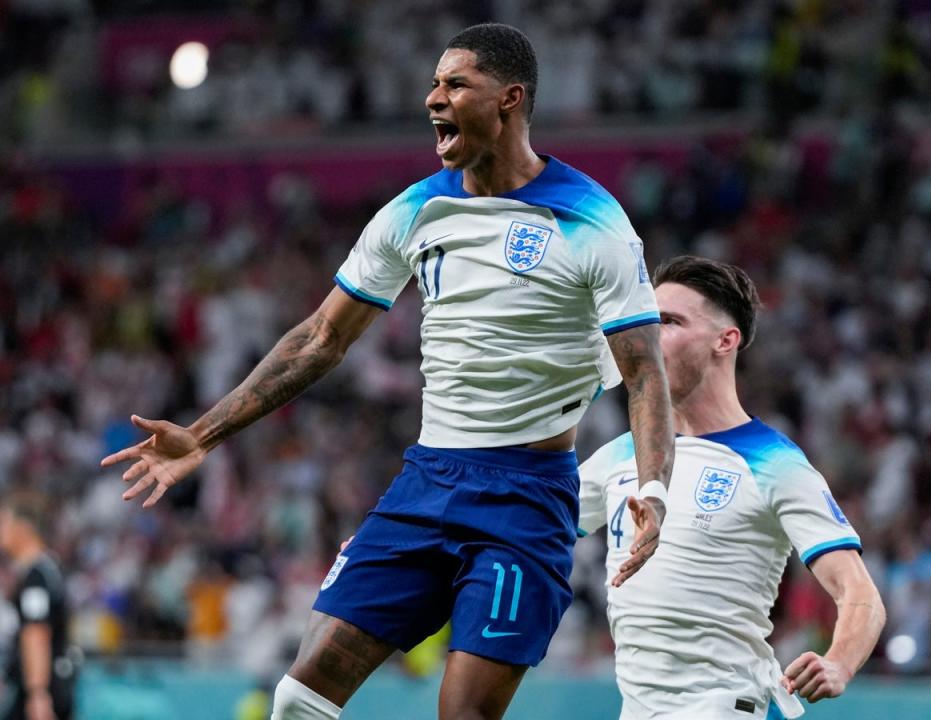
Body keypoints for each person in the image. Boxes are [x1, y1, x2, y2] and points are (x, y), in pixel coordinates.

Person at [101, 23, 674, 720]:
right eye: (433, 83)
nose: (434, 99)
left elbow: (643, 372)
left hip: (525, 501)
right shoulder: (414, 209)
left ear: (509, 100)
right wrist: (204, 434)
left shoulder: (594, 221)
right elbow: (320, 338)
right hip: (426, 483)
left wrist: (654, 489)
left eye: (455, 84)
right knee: (297, 700)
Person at [577, 256, 886, 720]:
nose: (648, 335)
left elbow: (860, 594)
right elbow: (536, 527)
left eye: (670, 322)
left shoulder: (775, 464)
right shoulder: (622, 455)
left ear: (725, 340)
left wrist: (838, 662)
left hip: (723, 706)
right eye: (648, 320)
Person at [0, 493, 76, 720]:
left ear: (23, 527)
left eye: (4, 522)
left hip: (43, 687)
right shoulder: (46, 568)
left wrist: (37, 693)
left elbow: (36, 632)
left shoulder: (37, 576)